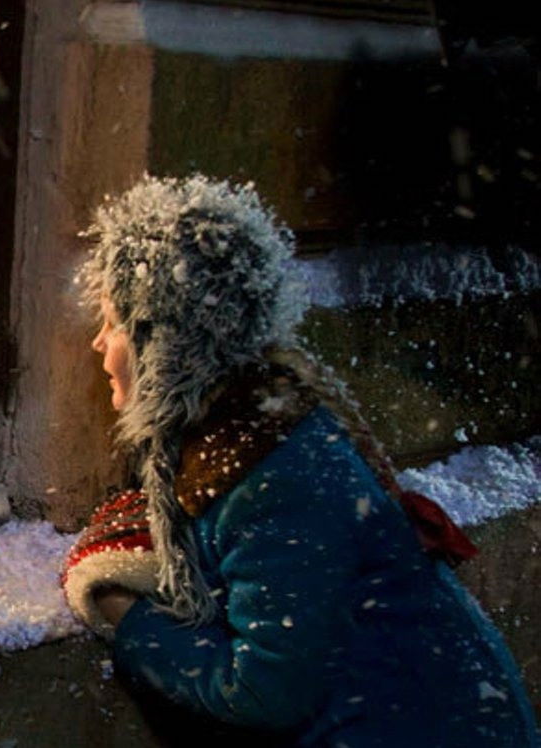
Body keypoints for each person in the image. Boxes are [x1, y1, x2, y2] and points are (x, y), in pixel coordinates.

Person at [62, 174, 538, 746]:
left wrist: (128, 618)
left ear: (161, 343)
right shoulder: (256, 429)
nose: (98, 343)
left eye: (113, 323)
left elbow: (264, 691)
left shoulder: (275, 474)